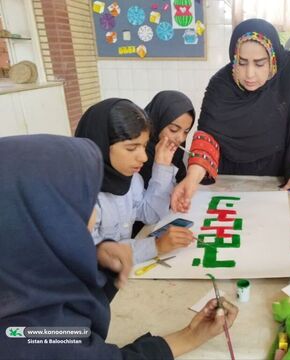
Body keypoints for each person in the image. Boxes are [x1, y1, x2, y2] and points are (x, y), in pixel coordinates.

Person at [0, 134, 238, 359]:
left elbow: (73, 331)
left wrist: (103, 267)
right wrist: (190, 336)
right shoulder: (24, 335)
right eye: (84, 201)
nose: (94, 215)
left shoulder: (24, 280)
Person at [171, 18, 290, 212]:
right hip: (231, 176)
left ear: (273, 59)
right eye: (241, 63)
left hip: (275, 174)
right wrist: (191, 179)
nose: (249, 74)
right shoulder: (221, 86)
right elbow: (208, 137)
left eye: (259, 64)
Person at [75, 98, 194, 265]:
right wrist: (155, 246)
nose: (144, 157)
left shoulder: (131, 179)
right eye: (131, 148)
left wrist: (162, 166)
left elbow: (150, 214)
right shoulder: (81, 195)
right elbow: (94, 256)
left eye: (144, 146)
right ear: (101, 144)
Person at [132, 91, 195, 237]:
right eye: (173, 129)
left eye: (186, 131)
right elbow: (146, 212)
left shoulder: (175, 149)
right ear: (156, 121)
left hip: (162, 221)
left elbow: (178, 181)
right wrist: (161, 167)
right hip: (137, 233)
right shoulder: (137, 152)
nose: (180, 138)